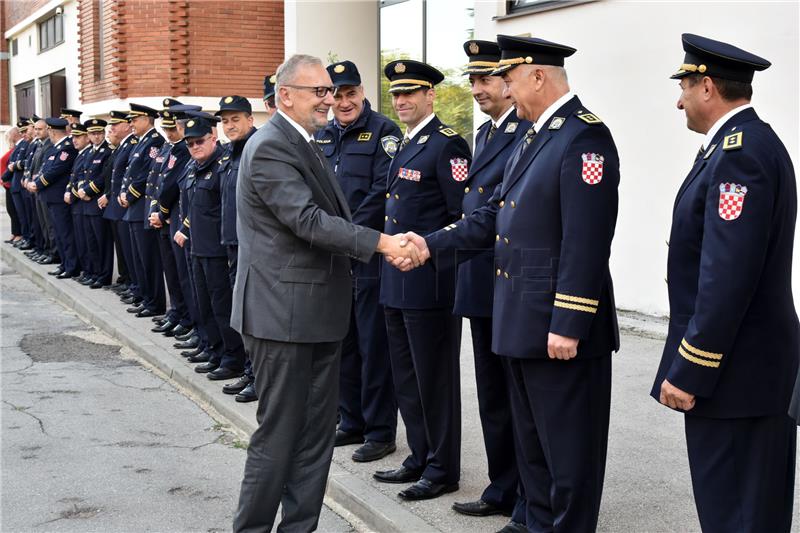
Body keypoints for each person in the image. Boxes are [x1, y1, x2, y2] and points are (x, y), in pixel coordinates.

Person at [394, 35, 620, 530]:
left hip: (556, 324)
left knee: (567, 451)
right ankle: (534, 522)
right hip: (519, 314)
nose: (504, 89)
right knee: (534, 443)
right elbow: (493, 214)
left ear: (537, 76)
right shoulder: (534, 135)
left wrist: (570, 321)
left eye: (509, 78)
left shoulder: (583, 136)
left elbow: (586, 240)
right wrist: (431, 243)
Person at [231, 53, 420, 532]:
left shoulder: (306, 142)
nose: (328, 99)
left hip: (314, 313)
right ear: (285, 95)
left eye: (329, 91)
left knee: (314, 437)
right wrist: (380, 243)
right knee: (279, 434)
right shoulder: (272, 145)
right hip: (282, 316)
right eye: (317, 91)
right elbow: (306, 220)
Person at [650, 34, 798, 533]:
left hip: (735, 373)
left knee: (735, 512)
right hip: (748, 369)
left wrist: (690, 367)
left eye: (684, 87)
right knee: (749, 510)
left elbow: (727, 274)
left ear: (707, 86)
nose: (679, 100)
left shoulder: (738, 154)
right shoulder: (742, 145)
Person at [372, 59, 471, 502]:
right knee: (406, 377)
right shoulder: (402, 143)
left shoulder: (447, 145)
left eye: (411, 92)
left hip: (430, 284)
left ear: (432, 95)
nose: (402, 100)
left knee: (435, 380)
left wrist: (434, 263)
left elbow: (460, 218)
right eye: (396, 94)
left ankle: (442, 467)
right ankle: (419, 455)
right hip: (395, 280)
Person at [448, 40, 529, 530]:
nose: (477, 89)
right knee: (492, 395)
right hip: (479, 280)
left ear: (508, 81)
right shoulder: (484, 134)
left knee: (518, 397)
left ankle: (526, 494)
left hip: (510, 281)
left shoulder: (524, 131)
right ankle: (502, 486)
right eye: (472, 81)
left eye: (486, 79)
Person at [315, 60, 401, 462]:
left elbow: (383, 192)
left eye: (351, 93)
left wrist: (349, 235)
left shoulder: (384, 131)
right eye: (338, 94)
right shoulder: (323, 134)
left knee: (373, 345)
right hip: (333, 255)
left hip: (367, 255)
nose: (344, 102)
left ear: (362, 92)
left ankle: (380, 430)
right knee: (342, 341)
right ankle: (351, 421)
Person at [178, 110, 247, 381]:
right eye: (190, 143)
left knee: (222, 307)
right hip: (197, 247)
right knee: (204, 304)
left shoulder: (222, 165)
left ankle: (232, 358)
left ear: (213, 137)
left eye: (200, 142)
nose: (195, 147)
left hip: (218, 250)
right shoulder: (193, 167)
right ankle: (214, 350)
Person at [216, 95, 259, 400]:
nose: (229, 126)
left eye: (235, 119)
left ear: (250, 119)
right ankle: (249, 370)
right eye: (225, 121)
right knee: (240, 316)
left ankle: (259, 377)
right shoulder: (230, 152)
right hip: (233, 245)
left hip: (253, 248)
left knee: (254, 316)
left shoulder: (258, 149)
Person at [148, 102, 193, 339]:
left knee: (181, 273)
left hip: (173, 215)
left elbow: (172, 185)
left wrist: (162, 212)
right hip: (163, 216)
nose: (168, 133)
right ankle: (177, 311)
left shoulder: (185, 150)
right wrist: (156, 210)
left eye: (173, 129)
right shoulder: (168, 147)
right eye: (166, 129)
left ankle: (186, 317)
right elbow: (156, 182)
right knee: (171, 271)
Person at [121, 103, 166, 318]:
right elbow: (130, 173)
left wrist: (129, 194)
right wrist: (124, 193)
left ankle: (154, 302)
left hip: (141, 206)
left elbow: (147, 174)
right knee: (138, 258)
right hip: (133, 208)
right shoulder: (140, 142)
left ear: (147, 119)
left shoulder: (155, 141)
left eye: (135, 119)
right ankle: (145, 297)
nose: (131, 123)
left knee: (148, 259)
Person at [29, 117, 80, 278]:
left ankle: (71, 266)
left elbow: (56, 170)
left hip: (58, 198)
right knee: (57, 232)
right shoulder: (54, 148)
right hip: (50, 197)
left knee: (65, 233)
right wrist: (37, 181)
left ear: (51, 131)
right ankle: (64, 264)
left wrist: (38, 184)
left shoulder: (66, 148)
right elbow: (45, 168)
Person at [79, 118, 114, 288]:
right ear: (89, 136)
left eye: (99, 133)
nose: (97, 136)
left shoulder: (107, 151)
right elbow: (82, 173)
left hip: (97, 201)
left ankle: (104, 275)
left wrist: (87, 190)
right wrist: (80, 188)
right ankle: (94, 272)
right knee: (91, 241)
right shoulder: (89, 152)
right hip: (86, 203)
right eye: (93, 133)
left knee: (102, 242)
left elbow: (103, 177)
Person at [103, 110, 136, 293]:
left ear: (126, 126)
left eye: (116, 124)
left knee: (129, 249)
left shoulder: (131, 144)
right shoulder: (122, 146)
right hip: (117, 204)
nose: (112, 128)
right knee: (122, 247)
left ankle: (131, 282)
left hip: (125, 204)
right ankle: (126, 279)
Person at [3, 125, 23, 244]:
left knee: (16, 211)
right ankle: (15, 232)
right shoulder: (15, 148)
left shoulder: (18, 147)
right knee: (12, 210)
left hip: (12, 182)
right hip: (9, 182)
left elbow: (12, 165)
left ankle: (19, 234)